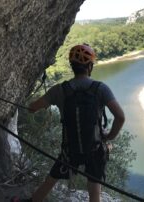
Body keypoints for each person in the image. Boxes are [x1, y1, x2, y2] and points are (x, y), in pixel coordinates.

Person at [23, 44, 125, 202]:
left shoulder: (59, 90)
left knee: (51, 179)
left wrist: (47, 102)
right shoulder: (100, 89)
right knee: (94, 192)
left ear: (72, 66)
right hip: (95, 148)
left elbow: (32, 108)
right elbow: (120, 117)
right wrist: (109, 137)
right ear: (90, 66)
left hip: (70, 151)